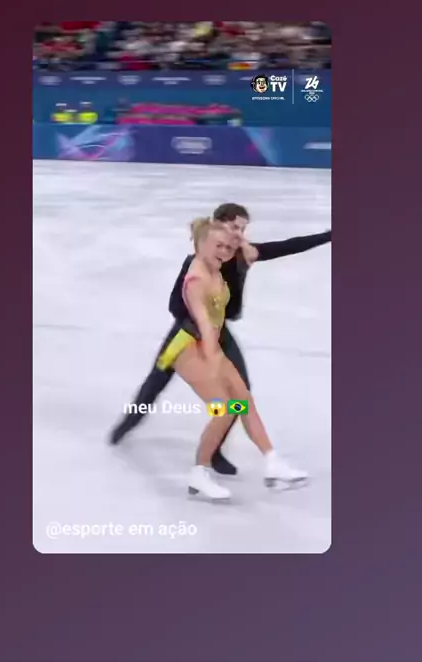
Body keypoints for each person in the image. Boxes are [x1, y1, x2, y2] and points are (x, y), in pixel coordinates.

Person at [110, 203, 331, 478]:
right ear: (217, 225)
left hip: (218, 331)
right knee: (155, 384)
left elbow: (288, 246)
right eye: (234, 227)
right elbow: (176, 306)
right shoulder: (198, 263)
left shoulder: (240, 254)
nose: (238, 234)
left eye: (243, 229)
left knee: (240, 394)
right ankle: (129, 422)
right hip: (187, 334)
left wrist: (328, 236)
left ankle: (214, 450)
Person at [154, 218, 307, 500]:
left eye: (227, 247)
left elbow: (241, 251)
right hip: (188, 350)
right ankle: (199, 473)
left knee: (242, 401)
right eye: (218, 246)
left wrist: (242, 245)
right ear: (201, 245)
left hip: (209, 345)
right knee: (223, 409)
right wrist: (213, 361)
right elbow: (204, 323)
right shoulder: (196, 280)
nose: (224, 251)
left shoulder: (216, 266)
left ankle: (272, 461)